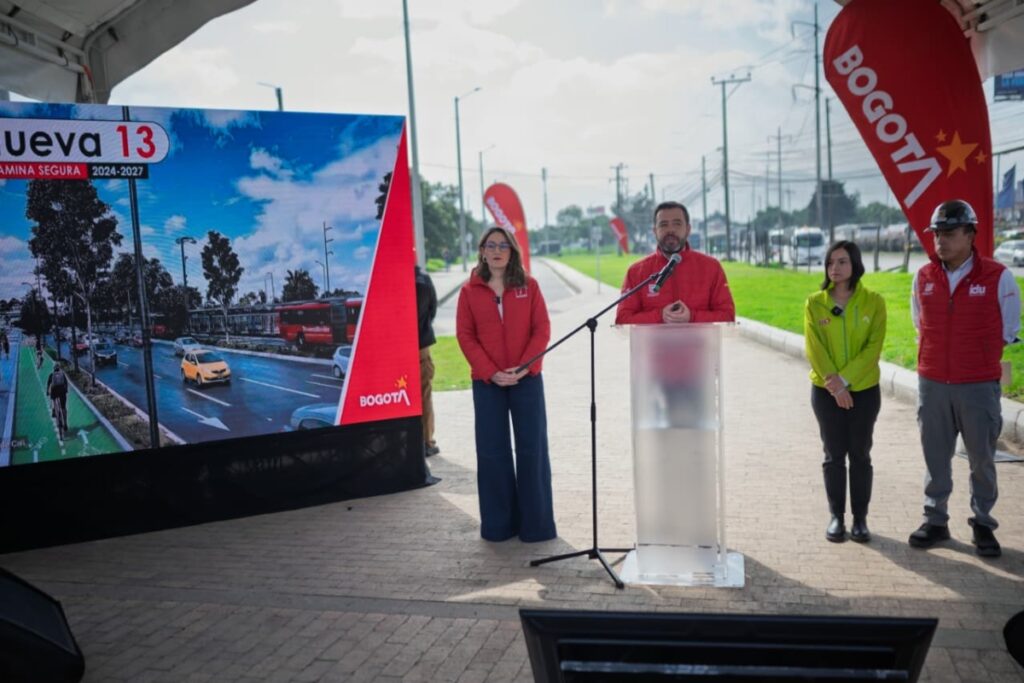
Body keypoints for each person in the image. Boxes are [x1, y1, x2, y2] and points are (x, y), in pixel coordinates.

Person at [908, 199, 1020, 558]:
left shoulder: (998, 276)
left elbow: (1008, 328)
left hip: (977, 385)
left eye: (950, 233)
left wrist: (976, 358)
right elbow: (918, 323)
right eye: (937, 234)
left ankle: (983, 524)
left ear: (971, 235)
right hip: (933, 383)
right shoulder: (923, 276)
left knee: (981, 458)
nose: (941, 241)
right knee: (935, 456)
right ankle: (935, 520)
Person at [456, 226, 556, 543]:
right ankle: (499, 526)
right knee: (492, 452)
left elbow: (541, 329)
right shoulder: (469, 291)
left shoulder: (530, 286)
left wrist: (525, 367)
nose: (497, 250)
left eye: (503, 245)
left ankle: (536, 526)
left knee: (532, 450)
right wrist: (491, 372)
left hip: (527, 380)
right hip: (488, 383)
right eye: (491, 245)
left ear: (512, 251)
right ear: (482, 250)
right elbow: (465, 336)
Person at [804, 241, 886, 544]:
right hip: (825, 392)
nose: (835, 269)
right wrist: (834, 385)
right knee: (833, 455)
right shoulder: (815, 302)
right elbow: (815, 347)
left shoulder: (874, 302)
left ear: (855, 264)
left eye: (842, 262)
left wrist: (846, 381)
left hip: (864, 391)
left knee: (860, 455)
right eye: (830, 263)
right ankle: (836, 517)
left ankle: (860, 519)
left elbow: (872, 349)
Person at [615, 201, 735, 325]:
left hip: (698, 344)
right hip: (654, 345)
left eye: (677, 224)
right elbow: (622, 319)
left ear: (688, 230)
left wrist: (692, 316)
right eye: (663, 224)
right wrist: (660, 316)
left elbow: (728, 316)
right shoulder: (636, 271)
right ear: (655, 231)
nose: (670, 230)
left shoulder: (711, 267)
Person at [415, 264, 440, 457]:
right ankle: (426, 442)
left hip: (395, 345)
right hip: (421, 344)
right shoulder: (422, 279)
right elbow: (432, 309)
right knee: (424, 394)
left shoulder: (388, 276)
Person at [46, 363, 69, 438]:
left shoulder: (51, 375)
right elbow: (66, 383)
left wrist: (47, 392)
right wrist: (66, 390)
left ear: (53, 369)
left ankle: (53, 409)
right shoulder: (62, 374)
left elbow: (48, 385)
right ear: (59, 368)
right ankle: (65, 423)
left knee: (52, 398)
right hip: (62, 391)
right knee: (63, 407)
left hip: (54, 391)